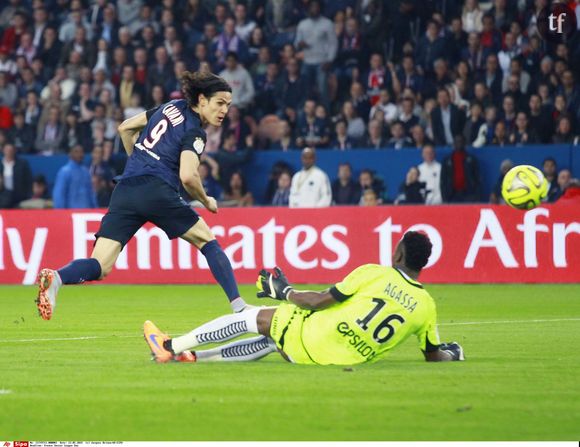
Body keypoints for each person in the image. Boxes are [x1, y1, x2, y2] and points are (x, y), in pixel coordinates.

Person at [36, 71, 251, 321]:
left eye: (228, 105)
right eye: (220, 103)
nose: (224, 110)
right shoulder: (195, 131)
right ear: (202, 100)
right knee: (207, 241)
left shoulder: (170, 106)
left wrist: (139, 163)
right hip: (158, 190)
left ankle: (57, 278)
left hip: (126, 189)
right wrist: (206, 200)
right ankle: (239, 308)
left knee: (101, 265)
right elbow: (189, 176)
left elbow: (125, 128)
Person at [143, 231, 465, 365]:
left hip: (313, 340)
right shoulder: (426, 306)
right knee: (273, 339)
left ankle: (171, 347)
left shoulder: (375, 273)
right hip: (340, 361)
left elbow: (319, 301)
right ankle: (197, 358)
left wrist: (285, 292)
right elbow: (433, 356)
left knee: (250, 317)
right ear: (423, 265)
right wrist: (455, 353)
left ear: (397, 252)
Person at [52, 145, 97, 209]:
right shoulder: (64, 172)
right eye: (76, 152)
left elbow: (91, 193)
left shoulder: (86, 172)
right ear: (70, 154)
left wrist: (95, 209)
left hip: (87, 213)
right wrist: (60, 213)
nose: (80, 154)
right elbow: (59, 194)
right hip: (71, 213)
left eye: (81, 152)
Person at [440, 135, 481, 203]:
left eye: (461, 141)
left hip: (468, 194)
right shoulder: (447, 160)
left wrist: (476, 196)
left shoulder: (471, 159)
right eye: (457, 142)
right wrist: (444, 197)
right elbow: (443, 180)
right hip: (452, 194)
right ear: (454, 143)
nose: (459, 143)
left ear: (464, 143)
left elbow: (477, 178)